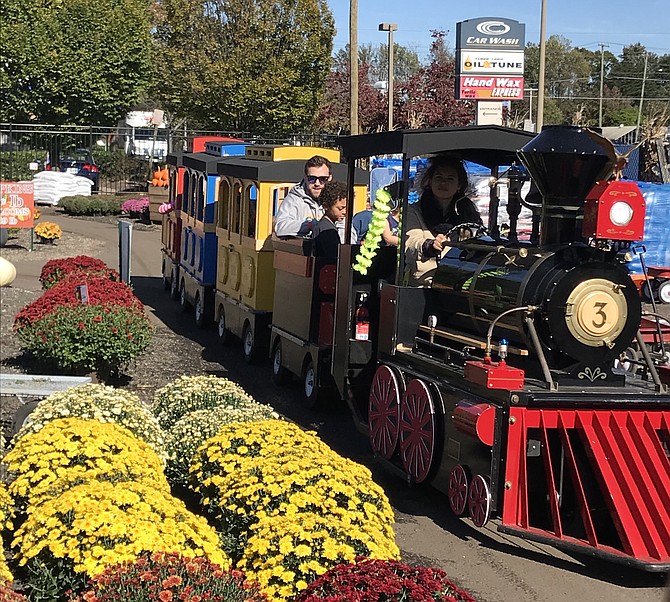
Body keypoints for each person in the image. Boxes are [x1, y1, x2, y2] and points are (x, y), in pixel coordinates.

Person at [404, 155, 482, 286]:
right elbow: (411, 243)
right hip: (423, 285)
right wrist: (429, 245)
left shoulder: (469, 214)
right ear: (430, 181)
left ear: (459, 185)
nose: (443, 183)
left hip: (459, 283)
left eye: (450, 179)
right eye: (438, 177)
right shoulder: (414, 211)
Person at [274, 155, 333, 238]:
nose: (317, 183)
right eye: (312, 178)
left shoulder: (335, 200)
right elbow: (280, 228)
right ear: (305, 178)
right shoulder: (294, 199)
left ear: (329, 178)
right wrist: (309, 225)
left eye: (322, 179)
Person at [312, 181, 348, 259]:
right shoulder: (328, 230)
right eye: (340, 208)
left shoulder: (323, 225)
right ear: (326, 206)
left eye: (346, 208)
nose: (344, 212)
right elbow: (334, 257)